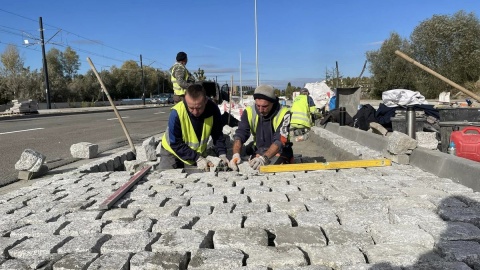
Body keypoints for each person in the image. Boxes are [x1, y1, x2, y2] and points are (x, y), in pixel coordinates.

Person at [158, 83, 229, 171]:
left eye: (199, 108)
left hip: (195, 153)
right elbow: (175, 143)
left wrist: (222, 154)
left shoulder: (213, 110)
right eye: (191, 108)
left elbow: (217, 135)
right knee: (166, 177)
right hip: (171, 151)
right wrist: (197, 158)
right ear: (186, 100)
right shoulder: (176, 113)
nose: (195, 112)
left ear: (205, 101)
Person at [228, 84, 293, 171]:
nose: (261, 110)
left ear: (272, 103)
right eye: (258, 106)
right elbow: (240, 134)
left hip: (280, 151)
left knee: (273, 168)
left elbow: (280, 140)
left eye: (265, 106)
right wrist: (236, 154)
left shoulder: (284, 113)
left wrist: (264, 158)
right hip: (260, 150)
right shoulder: (249, 111)